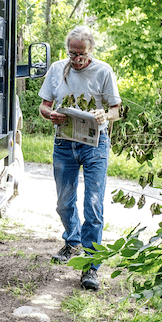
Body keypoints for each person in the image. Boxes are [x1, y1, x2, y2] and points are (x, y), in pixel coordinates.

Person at [37, 25, 121, 290]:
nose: (76, 59)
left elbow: (116, 110)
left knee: (93, 205)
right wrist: (50, 115)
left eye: (81, 54)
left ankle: (90, 267)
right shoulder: (56, 70)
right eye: (72, 54)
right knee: (64, 202)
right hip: (64, 143)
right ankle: (72, 241)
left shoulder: (103, 71)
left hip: (95, 144)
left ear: (90, 50)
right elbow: (43, 105)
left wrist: (103, 116)